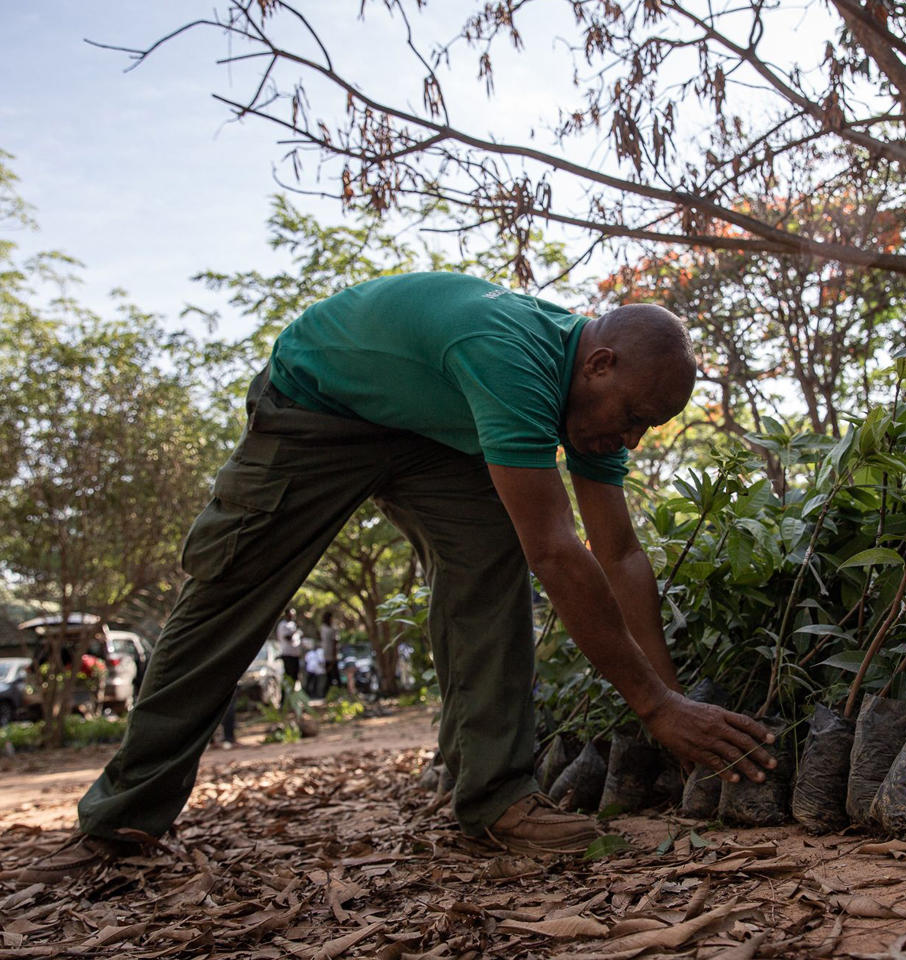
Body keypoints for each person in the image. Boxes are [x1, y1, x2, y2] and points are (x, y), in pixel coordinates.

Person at [13, 271, 774, 881]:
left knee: (489, 562)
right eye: (632, 417)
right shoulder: (513, 361)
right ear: (600, 364)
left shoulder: (592, 402)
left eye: (646, 428)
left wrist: (674, 703)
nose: (630, 439)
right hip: (317, 405)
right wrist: (654, 707)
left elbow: (620, 554)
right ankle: (121, 820)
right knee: (228, 595)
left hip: (430, 432)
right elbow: (558, 551)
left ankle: (494, 798)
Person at [275, 609, 303, 688]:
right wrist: (295, 630)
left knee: (295, 676)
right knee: (289, 676)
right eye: (291, 615)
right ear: (286, 615)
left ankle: (293, 691)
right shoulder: (283, 625)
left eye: (293, 615)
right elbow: (288, 638)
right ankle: (287, 693)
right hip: (287, 654)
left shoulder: (292, 624)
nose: (292, 617)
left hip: (295, 654)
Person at [319, 612, 340, 695]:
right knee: (328, 676)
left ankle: (338, 692)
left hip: (332, 656)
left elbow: (335, 643)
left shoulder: (333, 629)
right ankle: (328, 694)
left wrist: (335, 656)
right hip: (326, 655)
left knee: (336, 675)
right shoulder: (323, 628)